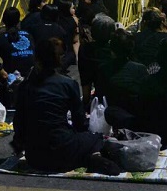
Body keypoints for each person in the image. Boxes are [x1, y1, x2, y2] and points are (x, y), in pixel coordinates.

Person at [12, 36, 121, 175]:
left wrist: (21, 143)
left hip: (35, 157)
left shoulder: (25, 86)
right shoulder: (68, 84)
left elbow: (18, 123)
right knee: (96, 138)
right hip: (63, 151)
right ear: (58, 59)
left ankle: (85, 156)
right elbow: (79, 122)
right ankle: (90, 158)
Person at [0, 7, 35, 77]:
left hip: (12, 76)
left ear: (3, 20)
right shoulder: (28, 35)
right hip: (32, 73)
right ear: (18, 20)